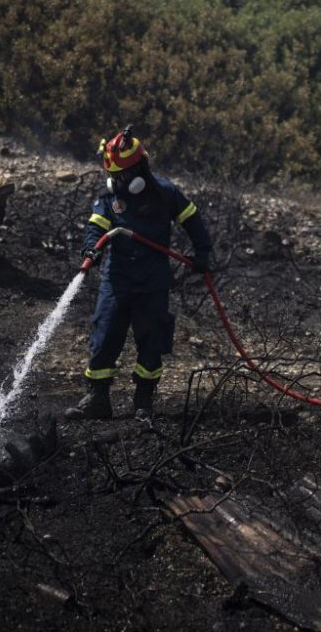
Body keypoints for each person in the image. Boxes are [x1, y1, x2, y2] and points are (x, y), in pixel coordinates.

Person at [67, 126, 212, 421]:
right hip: (117, 280)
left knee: (152, 339)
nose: (118, 181)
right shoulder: (109, 198)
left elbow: (192, 220)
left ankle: (144, 400)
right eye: (114, 175)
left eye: (123, 175)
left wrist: (202, 254)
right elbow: (96, 227)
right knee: (104, 334)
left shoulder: (166, 193)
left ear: (140, 170)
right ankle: (97, 398)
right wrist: (91, 250)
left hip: (152, 281)